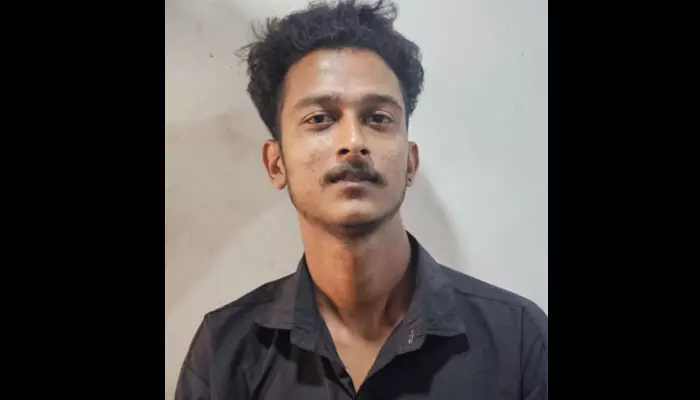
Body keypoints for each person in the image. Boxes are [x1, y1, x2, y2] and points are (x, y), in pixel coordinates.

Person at [174, 1, 547, 399]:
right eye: (320, 118)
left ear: (410, 161)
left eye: (378, 118)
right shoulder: (225, 353)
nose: (353, 142)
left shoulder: (518, 340)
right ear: (276, 163)